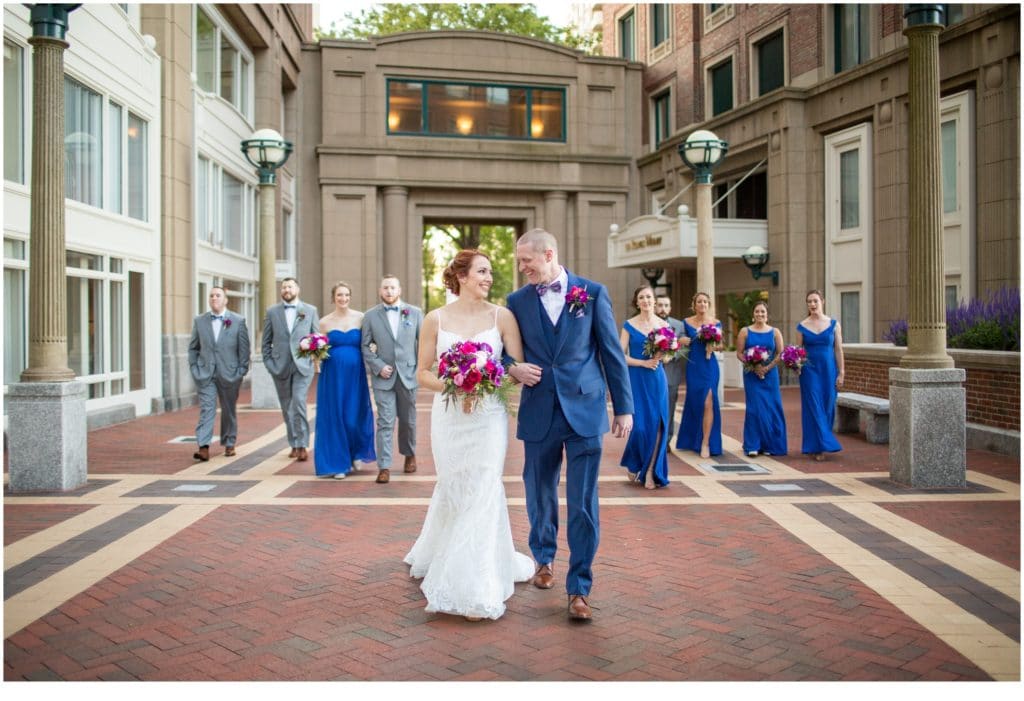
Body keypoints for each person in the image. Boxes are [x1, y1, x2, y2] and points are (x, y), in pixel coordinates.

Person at [506, 228, 633, 621]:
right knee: (539, 492)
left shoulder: (592, 293)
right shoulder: (516, 301)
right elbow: (501, 354)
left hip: (585, 409)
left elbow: (611, 352)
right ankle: (543, 558)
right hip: (540, 409)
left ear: (549, 253)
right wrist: (514, 369)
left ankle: (579, 587)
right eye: (519, 261)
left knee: (582, 502)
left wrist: (623, 407)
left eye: (527, 260)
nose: (522, 267)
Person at [405, 250, 534, 621]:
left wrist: (486, 380)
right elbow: (422, 372)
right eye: (482, 271)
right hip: (450, 417)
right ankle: (444, 551)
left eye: (490, 272)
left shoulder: (502, 316)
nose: (489, 277)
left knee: (483, 487)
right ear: (461, 276)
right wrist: (455, 384)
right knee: (455, 485)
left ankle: (474, 584)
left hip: (488, 417)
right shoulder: (435, 319)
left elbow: (515, 367)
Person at [361, 274, 423, 484]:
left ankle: (409, 454)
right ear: (380, 291)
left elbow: (422, 344)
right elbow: (365, 345)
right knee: (385, 422)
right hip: (383, 378)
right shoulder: (370, 316)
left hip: (408, 375)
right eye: (385, 287)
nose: (389, 291)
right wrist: (378, 366)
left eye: (392, 288)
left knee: (408, 421)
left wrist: (421, 370)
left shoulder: (414, 313)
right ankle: (384, 466)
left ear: (400, 290)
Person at [313, 281, 376, 479]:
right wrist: (315, 357)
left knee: (353, 415)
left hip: (355, 375)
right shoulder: (324, 322)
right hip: (332, 377)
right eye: (339, 295)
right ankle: (338, 463)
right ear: (333, 298)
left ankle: (355, 452)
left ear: (350, 297)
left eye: (346, 295)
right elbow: (318, 349)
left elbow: (369, 342)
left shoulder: (361, 318)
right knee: (335, 416)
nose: (343, 298)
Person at [187, 286, 250, 461]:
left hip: (230, 374)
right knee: (207, 408)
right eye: (211, 295)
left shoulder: (238, 321)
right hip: (205, 374)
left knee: (228, 409)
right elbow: (193, 347)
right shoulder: (200, 321)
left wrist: (240, 371)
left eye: (218, 295)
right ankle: (203, 446)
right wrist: (194, 367)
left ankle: (229, 441)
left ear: (225, 300)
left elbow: (244, 350)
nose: (214, 298)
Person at [262, 277, 319, 462]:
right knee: (287, 406)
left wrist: (314, 358)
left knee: (298, 402)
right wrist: (270, 365)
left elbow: (316, 337)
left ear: (298, 289)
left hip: (303, 365)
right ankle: (293, 442)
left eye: (290, 286)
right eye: (284, 286)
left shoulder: (310, 310)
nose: (287, 289)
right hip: (280, 366)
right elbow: (266, 342)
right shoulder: (272, 311)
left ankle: (303, 444)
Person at [619, 285, 671, 490]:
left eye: (649, 297)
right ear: (637, 302)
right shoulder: (629, 325)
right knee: (639, 427)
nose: (646, 300)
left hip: (657, 379)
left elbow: (668, 356)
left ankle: (650, 471)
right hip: (636, 378)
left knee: (658, 425)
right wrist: (643, 363)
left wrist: (662, 355)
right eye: (642, 297)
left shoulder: (663, 324)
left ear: (654, 301)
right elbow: (619, 355)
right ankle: (634, 461)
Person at [795, 289, 845, 461]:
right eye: (809, 302)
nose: (812, 304)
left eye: (815, 301)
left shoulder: (834, 324)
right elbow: (799, 351)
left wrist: (842, 372)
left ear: (822, 301)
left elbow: (838, 349)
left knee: (827, 405)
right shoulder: (802, 326)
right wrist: (797, 365)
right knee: (814, 406)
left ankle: (820, 442)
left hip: (829, 371)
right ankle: (819, 447)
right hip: (809, 372)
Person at [735, 300, 788, 458]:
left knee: (772, 408)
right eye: (757, 312)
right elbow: (739, 353)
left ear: (767, 315)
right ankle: (753, 445)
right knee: (754, 409)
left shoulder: (775, 332)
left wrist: (767, 367)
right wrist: (753, 365)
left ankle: (769, 444)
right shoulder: (745, 331)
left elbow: (780, 353)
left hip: (770, 375)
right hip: (751, 375)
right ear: (753, 314)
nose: (760, 314)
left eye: (763, 312)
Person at [675, 291, 723, 459]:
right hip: (694, 366)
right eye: (699, 302)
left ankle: (706, 443)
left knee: (708, 400)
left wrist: (714, 346)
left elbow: (721, 345)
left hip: (710, 366)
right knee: (696, 403)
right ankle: (692, 439)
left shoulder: (716, 323)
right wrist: (680, 341)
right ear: (694, 305)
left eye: (705, 302)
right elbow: (677, 341)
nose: (702, 304)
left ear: (709, 305)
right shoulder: (686, 322)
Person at [655, 294, 686, 435]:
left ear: (670, 308)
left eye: (666, 305)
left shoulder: (679, 325)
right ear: (655, 306)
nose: (663, 308)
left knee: (669, 408)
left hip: (672, 374)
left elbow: (684, 347)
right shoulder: (649, 324)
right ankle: (652, 438)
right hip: (652, 371)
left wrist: (671, 355)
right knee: (652, 408)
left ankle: (666, 440)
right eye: (660, 305)